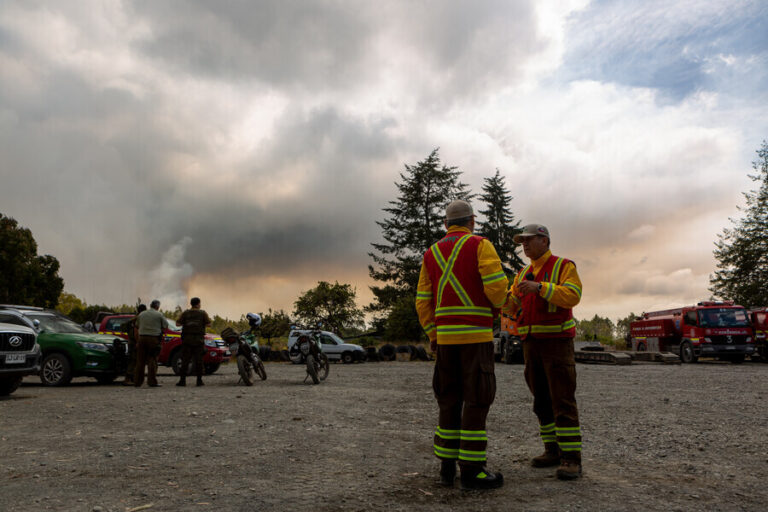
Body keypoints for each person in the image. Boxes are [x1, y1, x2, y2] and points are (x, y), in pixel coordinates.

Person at [415, 200, 509, 490]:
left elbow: (422, 301)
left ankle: (446, 470)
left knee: (448, 400)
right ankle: (472, 471)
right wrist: (499, 305)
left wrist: (433, 334)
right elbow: (497, 289)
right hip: (476, 339)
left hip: (445, 342)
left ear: (446, 224)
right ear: (472, 221)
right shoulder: (481, 245)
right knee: (477, 400)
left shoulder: (430, 253)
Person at [504, 224, 584, 480]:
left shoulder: (563, 266)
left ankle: (571, 459)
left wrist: (540, 288)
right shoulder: (522, 274)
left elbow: (573, 295)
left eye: (529, 240)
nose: (524, 245)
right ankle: (552, 450)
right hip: (531, 344)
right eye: (522, 241)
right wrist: (502, 298)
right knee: (540, 400)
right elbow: (511, 305)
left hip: (557, 343)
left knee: (562, 399)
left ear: (545, 241)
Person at [176, 297, 212, 387]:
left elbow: (177, 324)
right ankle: (199, 381)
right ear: (198, 304)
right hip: (198, 340)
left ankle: (182, 381)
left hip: (187, 340)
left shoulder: (185, 313)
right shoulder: (202, 313)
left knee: (185, 360)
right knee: (199, 361)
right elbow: (209, 324)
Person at [134, 299, 168, 388]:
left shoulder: (142, 314)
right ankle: (152, 381)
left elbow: (137, 326)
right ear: (158, 306)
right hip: (153, 339)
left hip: (142, 339)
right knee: (152, 360)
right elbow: (165, 326)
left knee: (140, 361)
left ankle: (137, 382)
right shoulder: (159, 314)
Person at [121, 303, 146, 386]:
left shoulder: (134, 318)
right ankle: (127, 379)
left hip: (132, 341)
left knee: (134, 360)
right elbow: (136, 332)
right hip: (134, 342)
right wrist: (138, 342)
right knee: (133, 360)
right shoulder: (138, 318)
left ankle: (133, 378)